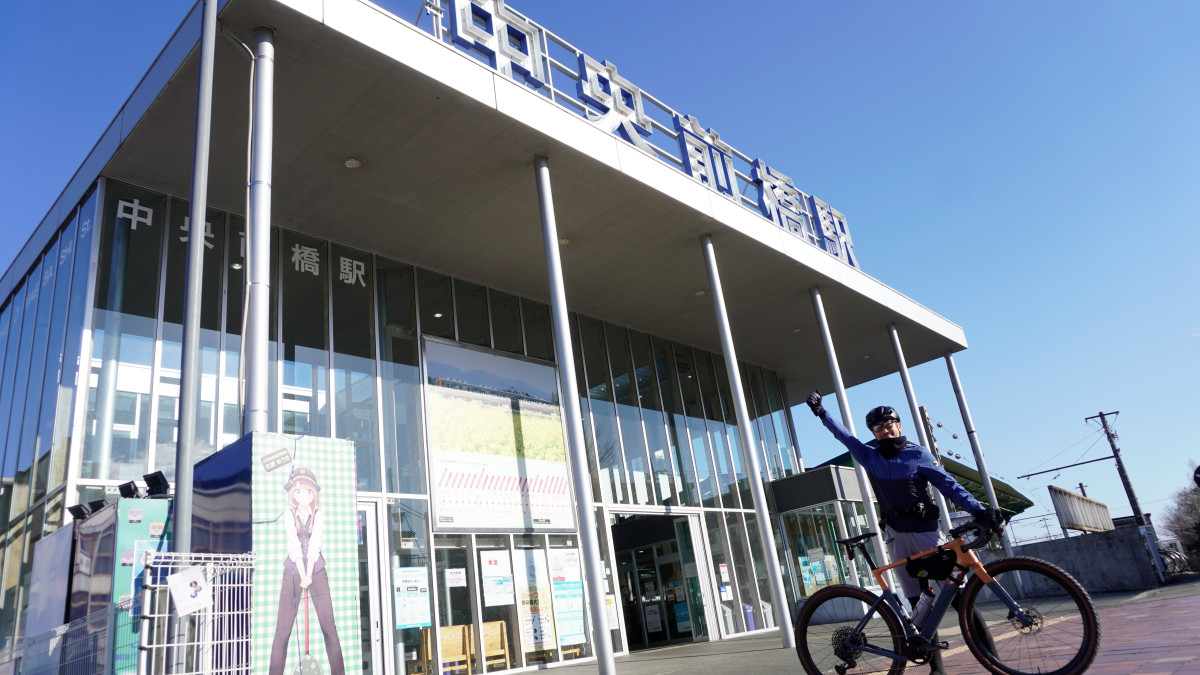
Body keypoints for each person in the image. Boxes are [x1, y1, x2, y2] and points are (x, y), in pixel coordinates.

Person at [805, 391, 1002, 675]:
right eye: (878, 427)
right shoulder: (869, 456)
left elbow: (950, 487)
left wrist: (979, 510)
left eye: (889, 423)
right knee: (918, 603)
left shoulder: (918, 454)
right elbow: (844, 436)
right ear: (873, 432)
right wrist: (822, 413)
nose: (884, 429)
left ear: (899, 425)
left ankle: (994, 660)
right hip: (897, 537)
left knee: (959, 598)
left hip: (927, 535)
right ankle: (937, 670)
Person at [269, 467, 345, 675]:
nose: (304, 496)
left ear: (315, 494)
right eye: (298, 491)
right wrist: (301, 575)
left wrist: (309, 574)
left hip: (317, 570)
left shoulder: (318, 515)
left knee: (329, 628)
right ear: (292, 493)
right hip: (293, 570)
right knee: (282, 631)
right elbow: (293, 546)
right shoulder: (288, 514)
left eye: (309, 491)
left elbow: (314, 546)